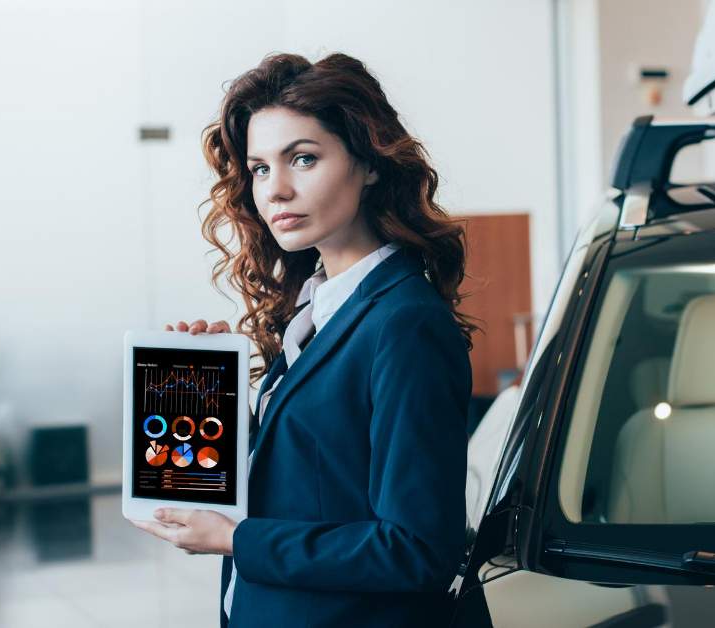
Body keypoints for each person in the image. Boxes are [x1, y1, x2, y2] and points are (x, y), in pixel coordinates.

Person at [131, 52, 476, 628]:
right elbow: (314, 482)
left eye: (303, 159)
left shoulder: (405, 324)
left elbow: (417, 550)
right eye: (260, 168)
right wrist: (215, 404)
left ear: (368, 164)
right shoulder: (314, 310)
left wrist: (240, 541)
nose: (276, 190)